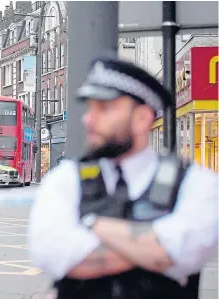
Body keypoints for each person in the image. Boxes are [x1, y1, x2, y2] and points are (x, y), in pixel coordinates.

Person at [27, 51, 218, 299]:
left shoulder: (197, 183)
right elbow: (50, 253)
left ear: (141, 118)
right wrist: (154, 249)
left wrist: (91, 223)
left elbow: (187, 252)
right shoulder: (64, 180)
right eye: (90, 108)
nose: (89, 119)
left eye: (104, 108)